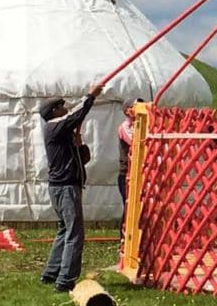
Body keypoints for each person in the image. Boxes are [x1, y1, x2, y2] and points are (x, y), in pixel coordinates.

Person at [39, 83, 103, 292]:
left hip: (62, 186)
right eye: (61, 106)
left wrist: (78, 144)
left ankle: (51, 273)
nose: (65, 108)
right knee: (75, 233)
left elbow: (81, 158)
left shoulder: (60, 132)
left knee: (65, 230)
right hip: (65, 187)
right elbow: (76, 115)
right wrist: (90, 96)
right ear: (54, 111)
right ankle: (65, 280)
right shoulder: (54, 127)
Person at [117, 97, 145, 239]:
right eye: (137, 106)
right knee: (129, 207)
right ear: (128, 110)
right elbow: (135, 142)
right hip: (127, 174)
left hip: (143, 173)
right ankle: (124, 239)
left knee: (143, 207)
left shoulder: (145, 125)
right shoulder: (125, 127)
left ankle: (141, 238)